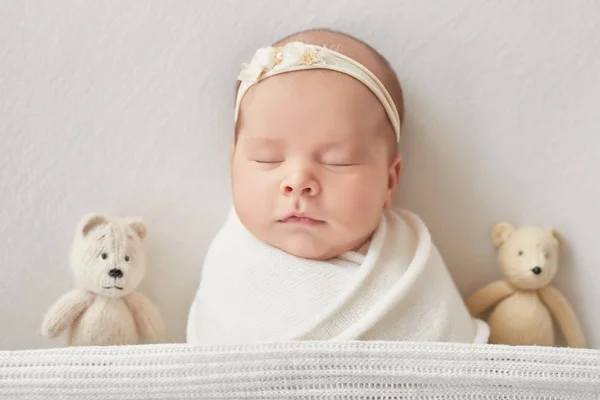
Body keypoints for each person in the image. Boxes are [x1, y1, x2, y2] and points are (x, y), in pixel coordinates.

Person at [186, 28, 488, 345]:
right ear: (233, 164)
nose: (298, 182)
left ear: (389, 180)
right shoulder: (231, 266)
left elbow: (460, 371)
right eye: (268, 159)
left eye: (338, 161)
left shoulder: (409, 266)